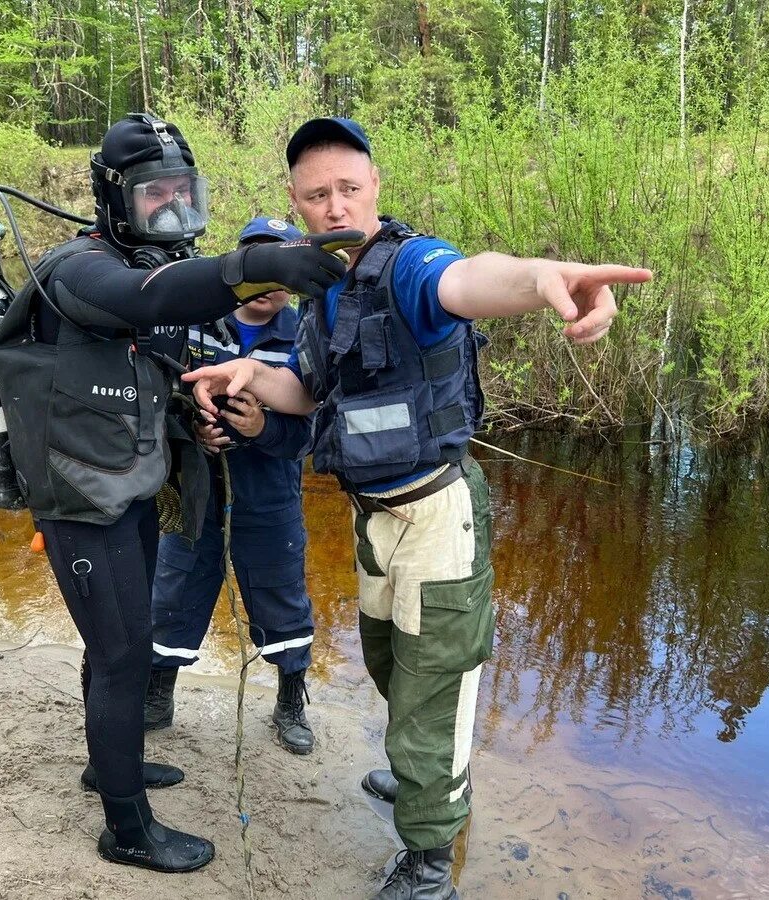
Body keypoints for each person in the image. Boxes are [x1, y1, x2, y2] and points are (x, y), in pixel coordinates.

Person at [182, 117, 652, 899]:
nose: (335, 207)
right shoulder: (323, 291)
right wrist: (248, 373)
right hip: (374, 520)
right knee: (391, 666)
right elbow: (309, 393)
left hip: (437, 518)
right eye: (317, 195)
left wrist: (541, 279)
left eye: (349, 189)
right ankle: (425, 779)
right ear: (297, 205)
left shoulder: (411, 266)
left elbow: (468, 280)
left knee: (433, 689)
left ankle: (430, 860)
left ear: (375, 189)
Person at [0, 113, 363, 875]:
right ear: (113, 197)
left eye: (183, 197)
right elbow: (151, 297)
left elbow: (152, 370)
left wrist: (204, 421)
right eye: (153, 197)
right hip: (78, 499)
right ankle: (126, 829)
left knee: (114, 646)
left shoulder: (156, 266)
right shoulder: (80, 268)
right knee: (124, 655)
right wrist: (262, 264)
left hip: (126, 484)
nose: (169, 214)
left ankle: (110, 765)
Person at [145, 215, 319, 756]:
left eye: (279, 267)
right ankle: (158, 690)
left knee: (280, 590)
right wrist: (191, 428)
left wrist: (263, 427)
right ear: (240, 262)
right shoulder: (195, 318)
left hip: (269, 489)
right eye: (258, 263)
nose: (268, 285)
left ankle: (291, 697)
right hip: (194, 485)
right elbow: (156, 395)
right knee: (174, 586)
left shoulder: (305, 333)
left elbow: (311, 429)